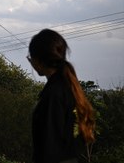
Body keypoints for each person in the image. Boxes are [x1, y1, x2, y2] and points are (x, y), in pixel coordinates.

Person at [28, 29, 95, 163]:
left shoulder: (53, 95)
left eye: (30, 58)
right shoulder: (70, 88)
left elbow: (48, 146)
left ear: (38, 61)